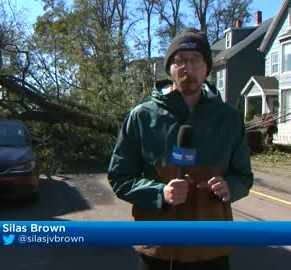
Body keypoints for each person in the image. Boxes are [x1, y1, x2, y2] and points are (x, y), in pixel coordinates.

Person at [108, 28, 254, 270]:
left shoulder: (229, 120)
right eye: (180, 60)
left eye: (195, 60)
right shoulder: (142, 117)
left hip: (212, 249)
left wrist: (231, 186)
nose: (188, 67)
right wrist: (159, 193)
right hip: (157, 249)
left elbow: (244, 176)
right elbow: (119, 177)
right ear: (170, 69)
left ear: (207, 68)